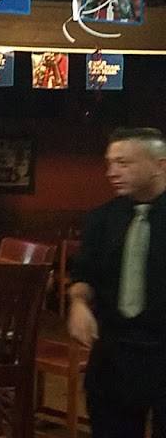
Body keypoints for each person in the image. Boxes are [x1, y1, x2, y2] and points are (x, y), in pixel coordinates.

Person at [69, 127, 166, 438]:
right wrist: (78, 303)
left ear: (159, 165)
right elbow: (84, 275)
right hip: (114, 351)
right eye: (110, 163)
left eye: (123, 163)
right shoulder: (102, 219)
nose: (112, 172)